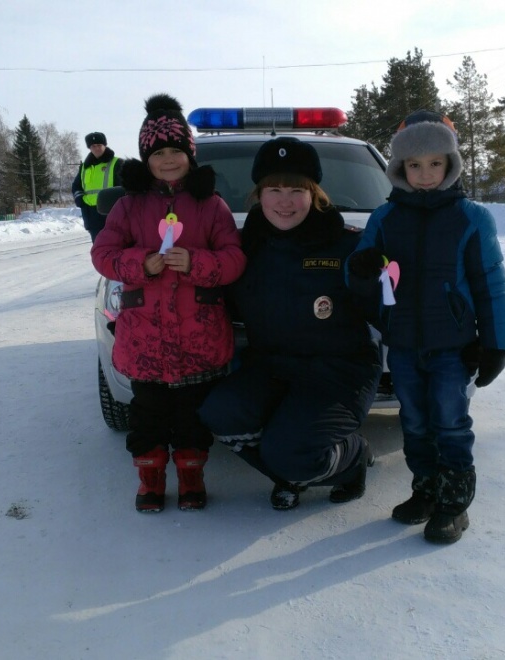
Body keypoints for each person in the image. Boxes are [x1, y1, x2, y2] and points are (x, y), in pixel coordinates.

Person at [347, 110, 505, 544]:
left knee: (450, 421)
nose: (425, 174)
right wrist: (361, 268)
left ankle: (453, 504)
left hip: (453, 346)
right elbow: (359, 275)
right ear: (400, 168)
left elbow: (490, 283)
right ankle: (425, 489)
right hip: (402, 344)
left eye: (434, 163)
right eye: (414, 165)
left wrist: (496, 344)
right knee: (415, 422)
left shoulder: (472, 217)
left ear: (451, 164)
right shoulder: (385, 218)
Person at [199, 137, 381, 511]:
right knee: (219, 413)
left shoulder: (349, 245)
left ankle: (351, 458)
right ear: (258, 195)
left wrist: (370, 286)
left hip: (339, 371)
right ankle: (287, 473)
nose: (284, 201)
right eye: (274, 189)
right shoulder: (243, 248)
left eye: (296, 190)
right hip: (273, 367)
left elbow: (392, 312)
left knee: (290, 453)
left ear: (314, 194)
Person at [91, 94, 246, 513]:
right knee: (147, 421)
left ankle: (192, 480)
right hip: (145, 342)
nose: (169, 159)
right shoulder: (128, 205)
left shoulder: (211, 205)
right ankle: (151, 483)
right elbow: (103, 256)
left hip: (200, 339)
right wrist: (142, 263)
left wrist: (196, 262)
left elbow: (233, 260)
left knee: (193, 422)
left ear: (189, 155)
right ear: (147, 157)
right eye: (159, 152)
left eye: (177, 150)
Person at [72, 131, 121, 240]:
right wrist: (79, 199)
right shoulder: (85, 167)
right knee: (99, 252)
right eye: (93, 146)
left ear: (105, 145)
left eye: (99, 145)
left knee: (116, 249)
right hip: (91, 216)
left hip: (112, 214)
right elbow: (76, 186)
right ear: (89, 148)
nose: (96, 148)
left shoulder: (117, 163)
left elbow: (125, 188)